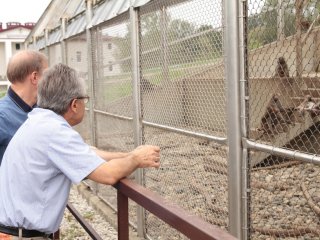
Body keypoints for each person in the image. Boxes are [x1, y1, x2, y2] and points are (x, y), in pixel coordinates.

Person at [0, 63, 160, 239]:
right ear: (74, 104)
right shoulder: (55, 132)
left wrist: (127, 155)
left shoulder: (40, 121)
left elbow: (85, 153)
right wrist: (136, 159)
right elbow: (108, 175)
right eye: (85, 99)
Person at [0, 50, 48, 164]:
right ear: (35, 77)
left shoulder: (43, 109)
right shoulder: (2, 117)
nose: (50, 80)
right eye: (47, 74)